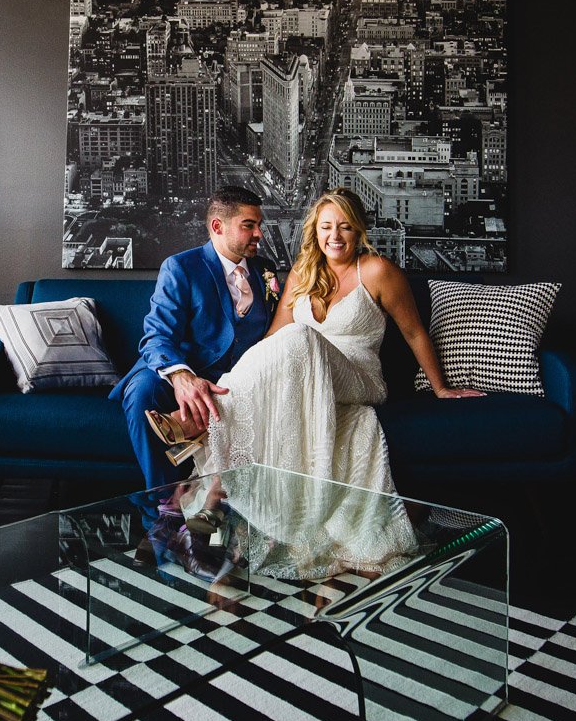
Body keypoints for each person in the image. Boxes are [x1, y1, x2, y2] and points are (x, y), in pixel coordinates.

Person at [145, 188, 483, 579]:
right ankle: (215, 499)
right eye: (326, 227)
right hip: (309, 379)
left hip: (357, 376)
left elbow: (414, 332)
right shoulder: (303, 275)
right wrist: (243, 386)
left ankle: (199, 423)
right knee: (287, 344)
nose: (334, 236)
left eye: (344, 227)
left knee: (302, 337)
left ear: (358, 231)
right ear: (315, 231)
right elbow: (271, 341)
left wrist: (440, 387)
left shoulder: (377, 271)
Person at [111, 185, 275, 489]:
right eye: (248, 226)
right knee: (142, 393)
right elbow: (156, 335)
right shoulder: (182, 268)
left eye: (259, 225)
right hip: (186, 368)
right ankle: (163, 501)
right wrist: (182, 377)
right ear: (217, 227)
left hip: (241, 378)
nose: (259, 234)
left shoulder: (266, 270)